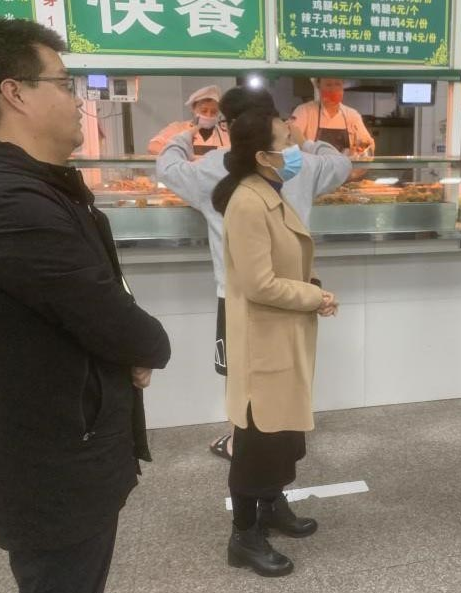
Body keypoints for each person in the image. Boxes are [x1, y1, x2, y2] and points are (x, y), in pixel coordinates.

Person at [0, 19, 171, 593]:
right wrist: (141, 345)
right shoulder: (8, 205)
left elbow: (97, 302)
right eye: (64, 84)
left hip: (65, 453)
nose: (78, 100)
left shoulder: (35, 187)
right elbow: (112, 318)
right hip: (50, 471)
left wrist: (125, 339)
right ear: (15, 93)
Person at [156, 86, 351, 461]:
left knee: (242, 374)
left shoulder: (214, 167)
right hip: (294, 290)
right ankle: (276, 446)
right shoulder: (301, 162)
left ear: (228, 125)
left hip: (238, 294)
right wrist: (305, 141)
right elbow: (342, 165)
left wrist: (188, 132)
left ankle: (243, 445)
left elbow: (166, 167)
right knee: (287, 370)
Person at [212, 110, 338, 577]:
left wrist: (312, 286)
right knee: (257, 440)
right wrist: (313, 296)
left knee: (282, 434)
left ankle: (272, 506)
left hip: (281, 333)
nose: (294, 150)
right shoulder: (247, 202)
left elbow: (285, 263)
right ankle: (243, 535)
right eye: (286, 142)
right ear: (263, 156)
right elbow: (260, 283)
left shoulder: (269, 191)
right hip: (262, 340)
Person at [291, 77, 375, 156]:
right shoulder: (304, 111)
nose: (333, 90)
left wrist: (362, 148)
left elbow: (368, 145)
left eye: (337, 84)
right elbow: (289, 138)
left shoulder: (352, 115)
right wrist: (307, 147)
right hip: (315, 166)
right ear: (318, 86)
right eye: (328, 85)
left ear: (343, 86)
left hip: (345, 166)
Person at [147, 84, 229, 155]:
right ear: (193, 109)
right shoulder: (177, 128)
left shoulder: (226, 134)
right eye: (204, 111)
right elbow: (153, 146)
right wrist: (177, 156)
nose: (208, 115)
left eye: (213, 112)